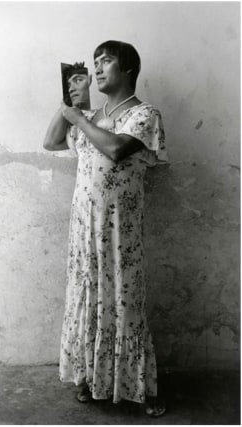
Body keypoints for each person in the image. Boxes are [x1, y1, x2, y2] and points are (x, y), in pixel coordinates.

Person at [43, 40, 167, 417]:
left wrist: (79, 118)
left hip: (119, 232)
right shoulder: (90, 116)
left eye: (106, 62)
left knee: (123, 302)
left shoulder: (145, 114)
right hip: (83, 227)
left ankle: (139, 389)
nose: (97, 70)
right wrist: (70, 106)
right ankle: (90, 379)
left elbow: (115, 149)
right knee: (88, 298)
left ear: (127, 69)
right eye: (94, 63)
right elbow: (49, 142)